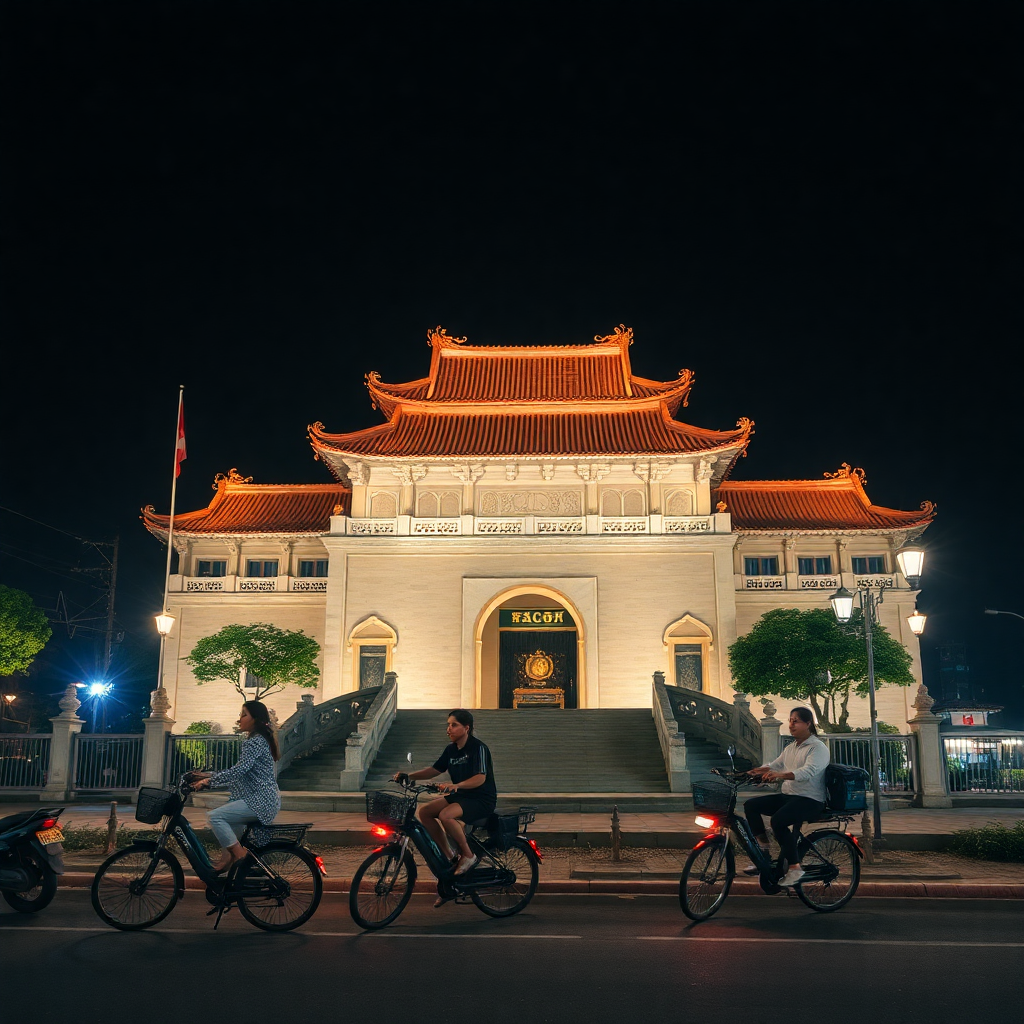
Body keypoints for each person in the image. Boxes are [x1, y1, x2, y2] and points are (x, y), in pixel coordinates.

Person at [394, 709, 497, 887]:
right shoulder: (451, 750)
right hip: (462, 797)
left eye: (454, 725)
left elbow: (480, 778)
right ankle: (450, 857)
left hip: (481, 798)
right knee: (425, 812)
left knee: (446, 815)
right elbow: (435, 770)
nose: (449, 729)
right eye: (448, 725)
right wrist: (410, 776)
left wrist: (456, 785)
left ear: (466, 728)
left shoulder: (478, 748)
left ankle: (468, 855)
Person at [742, 706, 829, 887]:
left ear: (808, 723)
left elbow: (808, 771)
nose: (791, 725)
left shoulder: (817, 748)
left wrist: (780, 775)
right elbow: (775, 765)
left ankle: (795, 867)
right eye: (790, 721)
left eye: (795, 721)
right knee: (751, 805)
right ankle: (763, 852)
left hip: (810, 799)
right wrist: (755, 771)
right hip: (789, 796)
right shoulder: (791, 747)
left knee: (778, 821)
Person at [192, 701, 281, 873]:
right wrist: (207, 776)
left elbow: (239, 770)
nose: (239, 719)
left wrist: (209, 782)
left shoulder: (254, 742)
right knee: (227, 847)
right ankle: (222, 878)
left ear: (255, 719)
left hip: (260, 801)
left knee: (215, 817)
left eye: (243, 714)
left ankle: (241, 856)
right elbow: (241, 772)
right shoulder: (260, 740)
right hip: (262, 799)